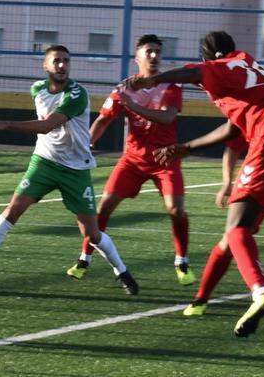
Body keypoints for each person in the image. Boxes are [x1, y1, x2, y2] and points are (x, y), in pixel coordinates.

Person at [123, 32, 264, 343]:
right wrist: (185, 147)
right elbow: (233, 126)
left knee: (237, 228)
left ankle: (260, 291)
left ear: (208, 56)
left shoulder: (219, 66)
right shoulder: (248, 64)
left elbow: (193, 74)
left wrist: (153, 80)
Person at [0, 45, 138, 295]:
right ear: (45, 66)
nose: (62, 65)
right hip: (44, 162)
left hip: (75, 169)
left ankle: (122, 271)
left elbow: (47, 125)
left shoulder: (77, 94)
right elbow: (45, 126)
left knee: (91, 233)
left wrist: (3, 124)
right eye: (56, 61)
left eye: (66, 61)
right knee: (11, 212)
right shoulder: (37, 89)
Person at [70, 35, 193, 285]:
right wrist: (87, 144)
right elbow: (103, 119)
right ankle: (84, 258)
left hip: (165, 158)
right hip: (133, 160)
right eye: (149, 51)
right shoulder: (123, 89)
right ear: (137, 57)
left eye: (158, 51)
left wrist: (130, 105)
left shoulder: (171, 86)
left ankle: (182, 261)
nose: (154, 56)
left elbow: (167, 118)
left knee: (176, 210)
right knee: (104, 207)